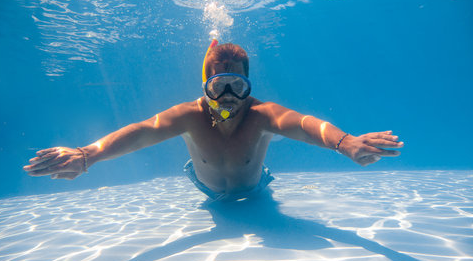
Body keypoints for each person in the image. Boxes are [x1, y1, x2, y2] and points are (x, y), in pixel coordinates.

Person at [24, 40, 403, 201]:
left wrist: (343, 141)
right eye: (219, 85)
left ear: (248, 86)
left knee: (262, 184)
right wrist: (86, 154)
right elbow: (141, 132)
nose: (227, 97)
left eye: (237, 85)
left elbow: (304, 124)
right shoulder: (189, 116)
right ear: (205, 86)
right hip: (206, 188)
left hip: (255, 190)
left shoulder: (261, 114)